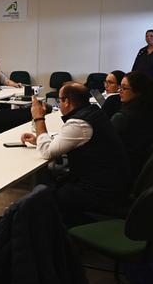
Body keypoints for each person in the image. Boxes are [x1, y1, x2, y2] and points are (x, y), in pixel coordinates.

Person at [20, 83, 131, 226]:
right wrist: (39, 140)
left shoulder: (79, 123)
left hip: (99, 190)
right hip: (113, 181)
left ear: (67, 101)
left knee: (43, 199)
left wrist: (38, 118)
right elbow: (75, 140)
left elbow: (47, 152)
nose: (59, 104)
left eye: (60, 100)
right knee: (49, 190)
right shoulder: (93, 112)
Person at [111, 71, 153, 174]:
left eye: (124, 88)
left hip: (121, 168)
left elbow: (105, 143)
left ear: (138, 91)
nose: (119, 91)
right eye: (120, 87)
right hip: (140, 164)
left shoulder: (123, 117)